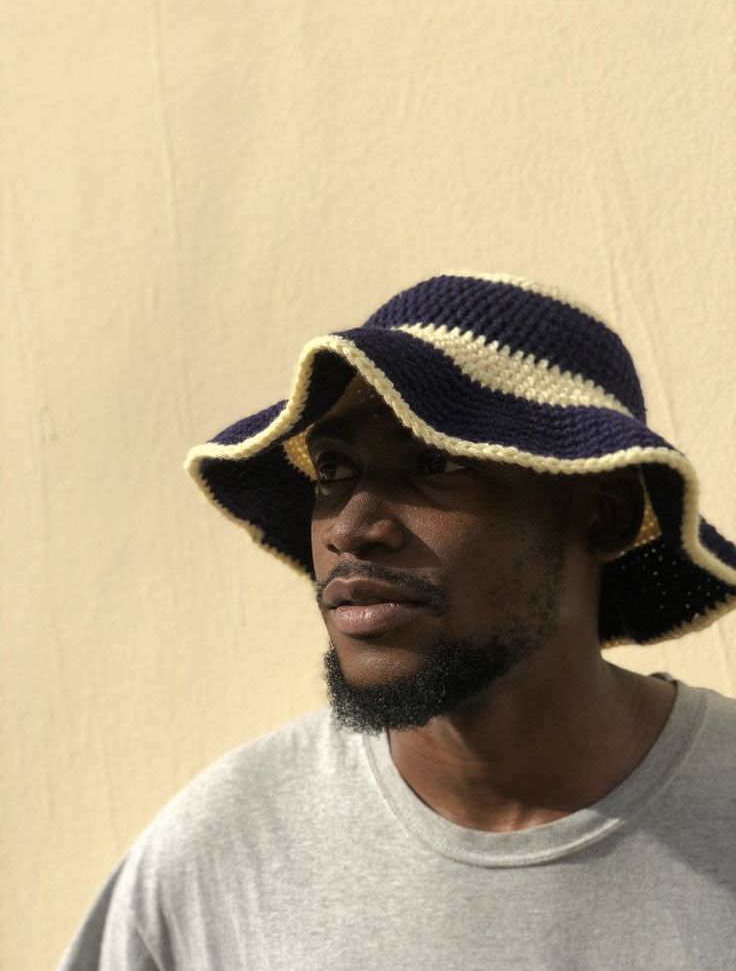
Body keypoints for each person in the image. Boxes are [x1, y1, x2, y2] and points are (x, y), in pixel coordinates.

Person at [59, 274, 736, 970]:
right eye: (332, 469)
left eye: (435, 462)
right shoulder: (223, 851)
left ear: (605, 512)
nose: (352, 529)